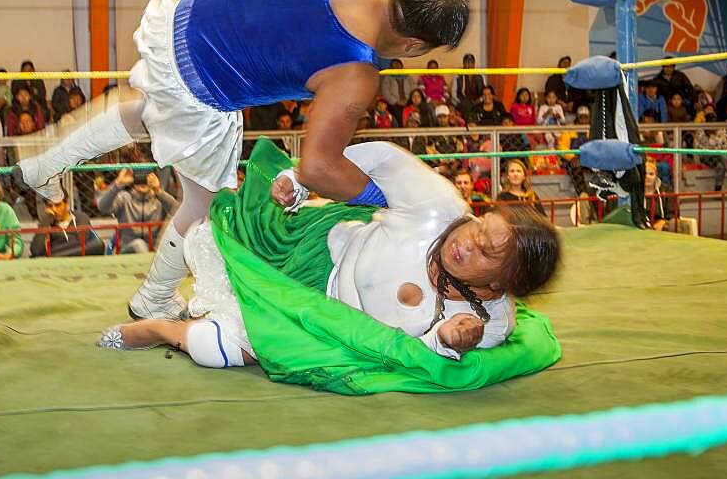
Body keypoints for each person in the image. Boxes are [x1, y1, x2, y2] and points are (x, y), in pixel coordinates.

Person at [15, 0, 469, 321]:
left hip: (180, 27)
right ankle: (153, 298)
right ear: (414, 45)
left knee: (149, 109)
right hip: (205, 85)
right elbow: (317, 166)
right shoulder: (355, 72)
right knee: (205, 202)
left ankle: (43, 163)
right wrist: (390, 197)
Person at [100, 140, 560, 371]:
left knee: (216, 350)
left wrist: (447, 340)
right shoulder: (439, 205)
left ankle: (165, 329)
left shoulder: (490, 320)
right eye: (480, 228)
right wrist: (305, 178)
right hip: (313, 249)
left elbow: (423, 352)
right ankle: (153, 307)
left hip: (325, 322)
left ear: (501, 284)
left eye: (485, 251)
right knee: (208, 225)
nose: (467, 241)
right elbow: (382, 156)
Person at [97, 169, 179, 254]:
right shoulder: (125, 198)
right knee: (139, 244)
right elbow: (102, 207)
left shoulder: (159, 200)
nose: (142, 182)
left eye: (146, 178)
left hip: (155, 250)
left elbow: (178, 212)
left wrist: (159, 191)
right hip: (127, 249)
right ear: (134, 180)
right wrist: (118, 184)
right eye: (139, 179)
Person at [30, 187, 101, 258]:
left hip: (79, 260)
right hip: (57, 265)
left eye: (58, 205)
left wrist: (52, 250)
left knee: (98, 245)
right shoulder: (47, 223)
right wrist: (45, 221)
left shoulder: (81, 218)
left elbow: (82, 244)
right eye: (50, 206)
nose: (54, 209)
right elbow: (36, 251)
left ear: (66, 203)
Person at [692, 111, 727, 192]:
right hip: (706, 156)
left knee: (720, 164)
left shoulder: (722, 131)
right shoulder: (700, 132)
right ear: (706, 122)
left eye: (714, 121)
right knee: (720, 155)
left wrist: (717, 142)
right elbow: (697, 147)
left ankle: (718, 189)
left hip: (722, 156)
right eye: (710, 122)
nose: (713, 124)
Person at [450, 52, 484, 117]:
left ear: (474, 64)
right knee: (466, 105)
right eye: (467, 62)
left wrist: (479, 100)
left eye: (471, 62)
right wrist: (461, 102)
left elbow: (484, 92)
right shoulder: (458, 76)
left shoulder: (480, 76)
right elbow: (453, 93)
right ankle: (469, 122)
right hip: (461, 101)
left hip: (477, 102)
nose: (469, 65)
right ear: (463, 64)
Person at [643, 159, 672, 232]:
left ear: (656, 175)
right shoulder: (631, 192)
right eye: (644, 173)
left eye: (651, 174)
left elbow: (673, 215)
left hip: (662, 232)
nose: (647, 177)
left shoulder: (666, 191)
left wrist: (663, 222)